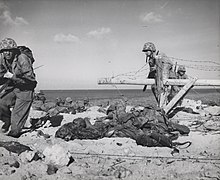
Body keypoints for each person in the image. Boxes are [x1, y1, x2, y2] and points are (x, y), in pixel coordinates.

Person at [0, 38, 37, 137]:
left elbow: (31, 81)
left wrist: (12, 77)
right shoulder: (2, 58)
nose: (7, 53)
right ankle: (7, 121)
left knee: (15, 131)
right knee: (1, 103)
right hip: (14, 87)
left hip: (26, 89)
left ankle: (15, 127)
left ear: (14, 51)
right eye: (4, 51)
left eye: (9, 50)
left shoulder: (23, 59)